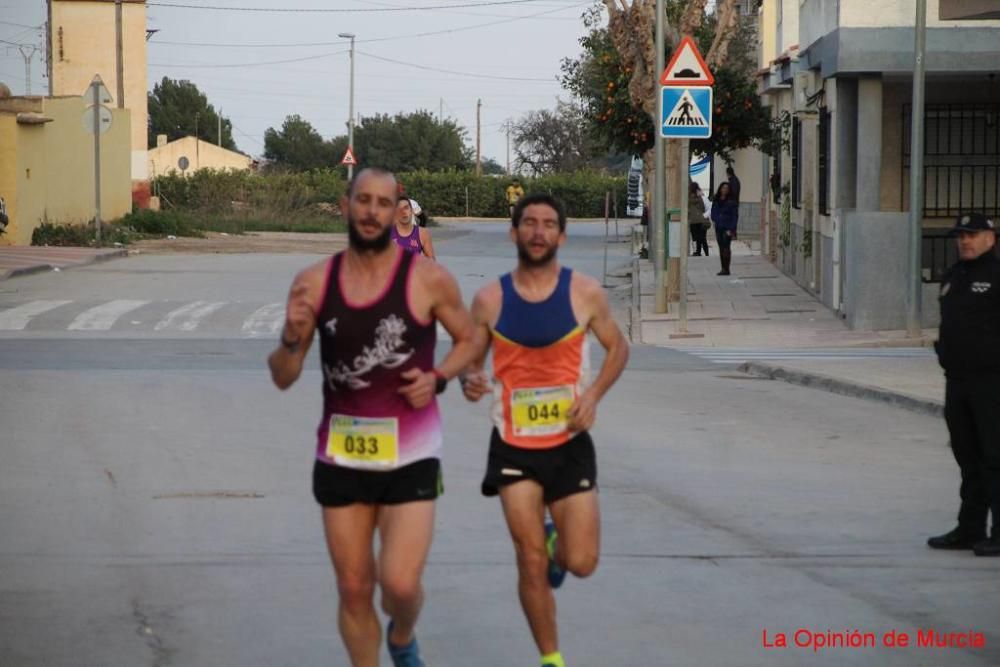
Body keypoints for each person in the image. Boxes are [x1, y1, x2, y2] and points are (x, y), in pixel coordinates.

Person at [268, 167, 477, 667]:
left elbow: (470, 339)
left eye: (384, 203)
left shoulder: (428, 279)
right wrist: (292, 340)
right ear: (345, 207)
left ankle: (403, 634)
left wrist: (441, 377)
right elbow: (283, 375)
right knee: (354, 587)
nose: (372, 211)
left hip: (412, 453)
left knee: (400, 586)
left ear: (398, 210)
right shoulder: (314, 282)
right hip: (341, 453)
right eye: (363, 200)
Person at [461, 193, 630, 667]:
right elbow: (472, 363)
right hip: (512, 446)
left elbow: (619, 348)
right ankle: (550, 658)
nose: (538, 231)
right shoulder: (489, 299)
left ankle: (560, 545)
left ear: (561, 235)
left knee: (581, 562)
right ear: (514, 232)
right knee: (528, 558)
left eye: (548, 224)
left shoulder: (585, 293)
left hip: (570, 444)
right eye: (529, 223)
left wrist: (593, 395)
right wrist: (470, 380)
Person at [928, 212, 1000, 557]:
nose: (965, 241)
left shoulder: (996, 275)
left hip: (991, 382)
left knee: (994, 457)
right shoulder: (955, 274)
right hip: (957, 381)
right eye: (961, 235)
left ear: (990, 237)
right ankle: (970, 528)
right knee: (967, 456)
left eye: (972, 235)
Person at [710, 182, 738, 276]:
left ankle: (726, 268)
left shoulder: (732, 202)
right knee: (721, 247)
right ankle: (723, 267)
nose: (724, 190)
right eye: (723, 188)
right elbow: (713, 211)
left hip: (727, 227)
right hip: (719, 227)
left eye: (726, 188)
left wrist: (732, 229)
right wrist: (715, 218)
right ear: (720, 189)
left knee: (726, 247)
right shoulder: (716, 199)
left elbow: (735, 216)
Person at [688, 181, 709, 256]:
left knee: (695, 237)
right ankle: (705, 253)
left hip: (693, 220)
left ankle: (697, 251)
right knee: (702, 238)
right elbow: (704, 207)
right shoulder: (701, 196)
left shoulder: (688, 198)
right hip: (701, 219)